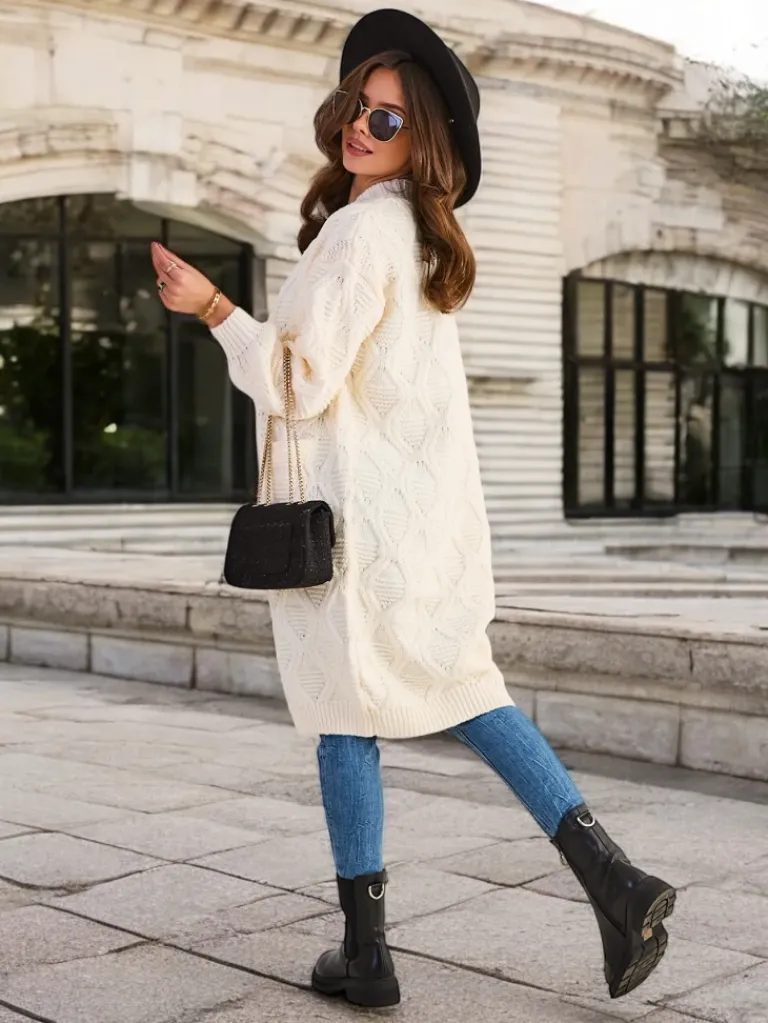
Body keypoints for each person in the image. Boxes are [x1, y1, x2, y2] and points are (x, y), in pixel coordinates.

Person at [150, 8, 676, 1010]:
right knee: (470, 693)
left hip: (354, 534)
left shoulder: (361, 233)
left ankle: (369, 953)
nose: (361, 126)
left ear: (421, 138)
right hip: (424, 525)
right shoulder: (423, 238)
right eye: (358, 105)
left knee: (346, 719)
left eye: (387, 119)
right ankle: (614, 879)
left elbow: (298, 382)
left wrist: (214, 310)